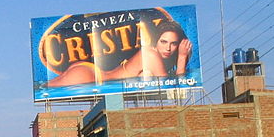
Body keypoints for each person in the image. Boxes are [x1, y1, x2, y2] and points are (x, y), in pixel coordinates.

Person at [47, 20, 193, 87]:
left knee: (46, 86)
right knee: (46, 89)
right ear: (156, 41)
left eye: (173, 44)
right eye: (163, 42)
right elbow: (173, 87)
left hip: (91, 73)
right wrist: (181, 57)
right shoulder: (151, 55)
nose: (168, 48)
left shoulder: (153, 57)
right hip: (90, 76)